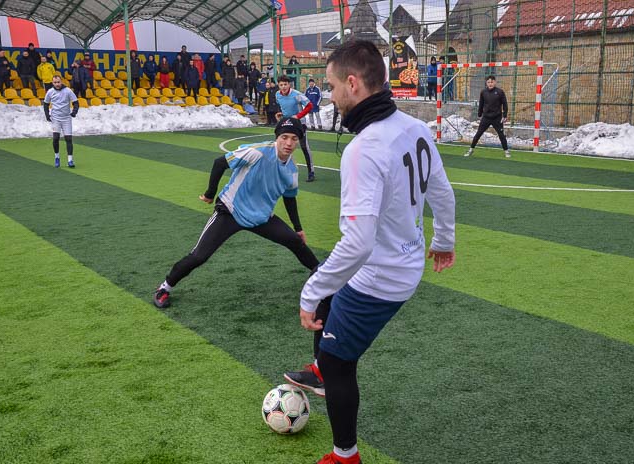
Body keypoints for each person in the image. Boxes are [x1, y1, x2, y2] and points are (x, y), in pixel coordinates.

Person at [283, 40, 456, 464]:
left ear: (354, 83)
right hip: (403, 259)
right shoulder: (413, 127)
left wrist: (308, 292)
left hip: (382, 274)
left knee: (339, 359)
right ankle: (322, 364)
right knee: (330, 289)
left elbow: (357, 245)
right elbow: (443, 192)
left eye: (332, 85)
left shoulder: (364, 148)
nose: (330, 95)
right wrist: (444, 240)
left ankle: (346, 455)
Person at [152, 117, 320, 309]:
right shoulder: (257, 152)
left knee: (295, 241)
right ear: (277, 137)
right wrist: (209, 193)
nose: (289, 143)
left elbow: (290, 198)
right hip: (231, 211)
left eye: (293, 138)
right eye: (284, 137)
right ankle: (164, 288)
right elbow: (219, 162)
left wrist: (298, 228)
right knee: (199, 256)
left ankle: (322, 275)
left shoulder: (291, 169)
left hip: (260, 217)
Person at [275, 75, 315, 182]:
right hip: (287, 124)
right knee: (282, 147)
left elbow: (310, 106)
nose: (283, 87)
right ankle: (283, 172)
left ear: (289, 84)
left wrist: (298, 116)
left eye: (285, 84)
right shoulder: (277, 94)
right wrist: (281, 114)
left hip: (299, 125)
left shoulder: (296, 95)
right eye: (281, 85)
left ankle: (311, 172)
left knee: (304, 147)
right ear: (278, 85)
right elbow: (282, 106)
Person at [465, 75, 511, 158]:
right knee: (478, 134)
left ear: (495, 82)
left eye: (492, 82)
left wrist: (504, 115)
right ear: (486, 83)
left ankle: (506, 151)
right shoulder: (483, 92)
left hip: (497, 118)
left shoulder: (500, 92)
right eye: (488, 82)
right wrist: (479, 114)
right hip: (486, 117)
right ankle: (471, 150)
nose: (490, 84)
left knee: (501, 135)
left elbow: (505, 104)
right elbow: (481, 104)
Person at [43, 75, 79, 169]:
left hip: (66, 118)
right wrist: (47, 115)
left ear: (61, 81)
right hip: (56, 118)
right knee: (55, 138)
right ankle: (57, 157)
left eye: (58, 82)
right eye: (55, 82)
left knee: (68, 139)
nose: (57, 84)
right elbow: (46, 104)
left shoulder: (68, 91)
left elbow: (75, 102)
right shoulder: (50, 92)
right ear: (52, 83)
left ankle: (70, 160)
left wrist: (74, 112)